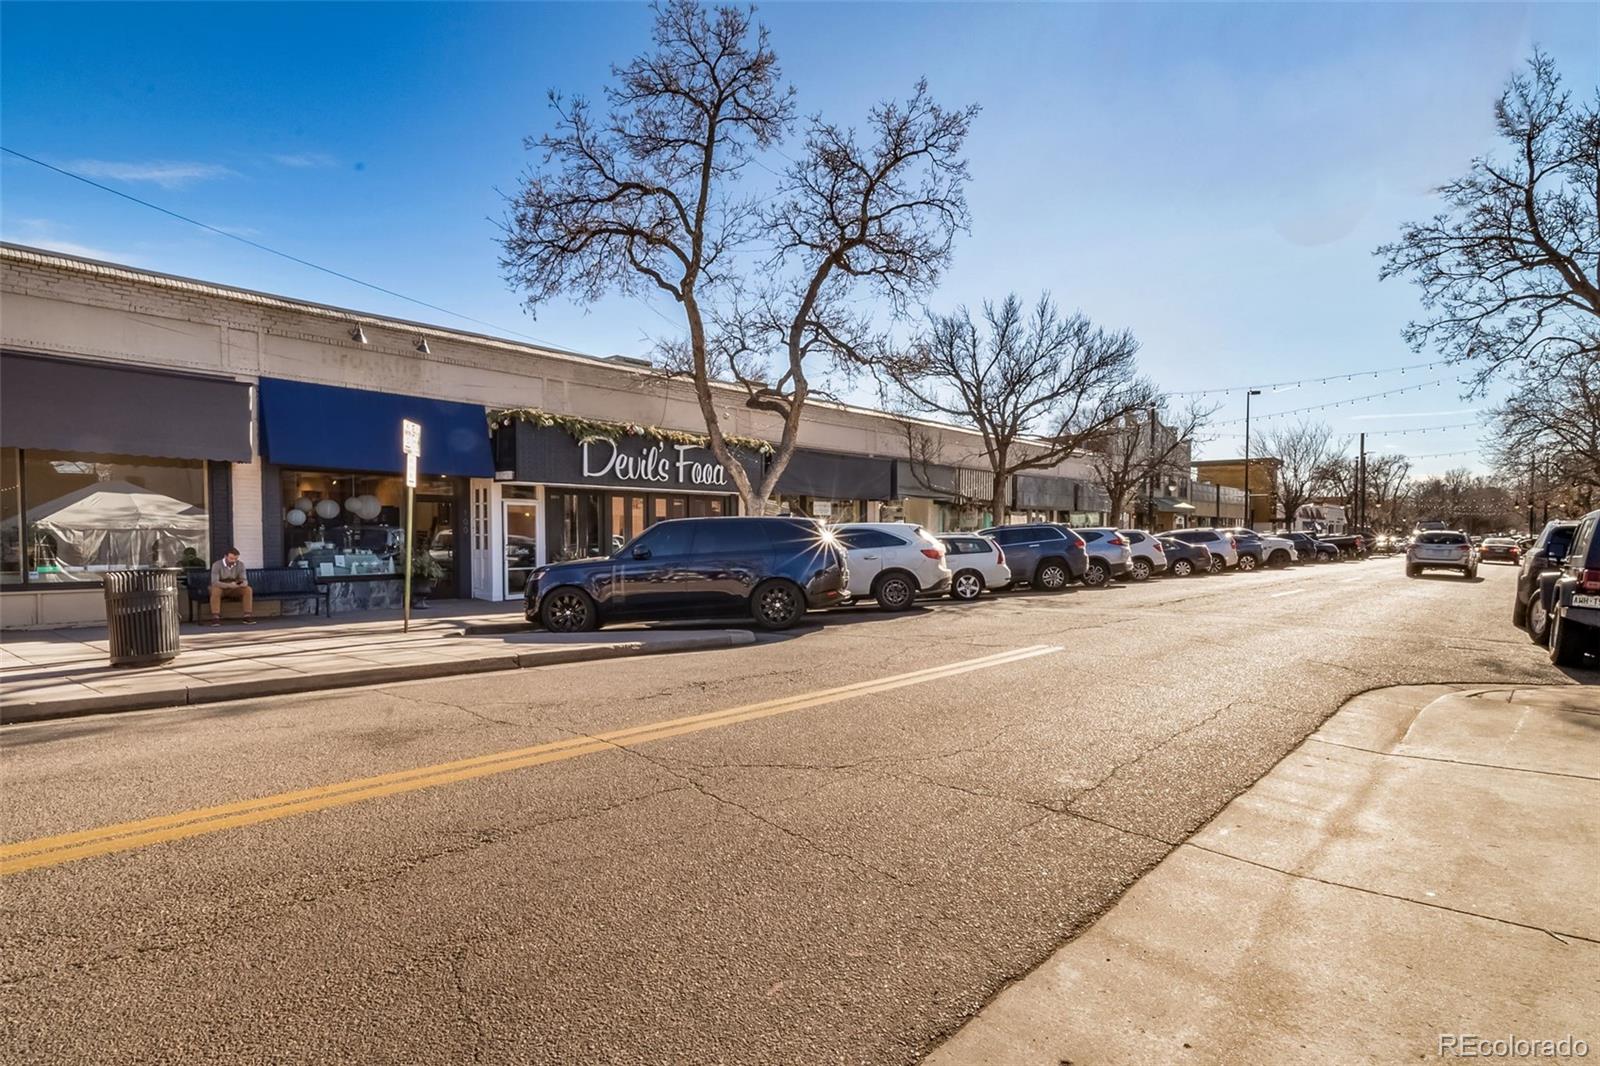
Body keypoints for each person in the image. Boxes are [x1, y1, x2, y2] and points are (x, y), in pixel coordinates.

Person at [208, 547, 254, 625]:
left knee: (248, 589)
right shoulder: (216, 565)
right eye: (231, 558)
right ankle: (215, 617)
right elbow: (215, 582)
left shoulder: (240, 564)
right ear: (225, 557)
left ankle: (247, 616)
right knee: (215, 590)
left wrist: (241, 584)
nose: (234, 561)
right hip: (221, 587)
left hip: (234, 587)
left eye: (236, 559)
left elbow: (244, 579)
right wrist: (229, 585)